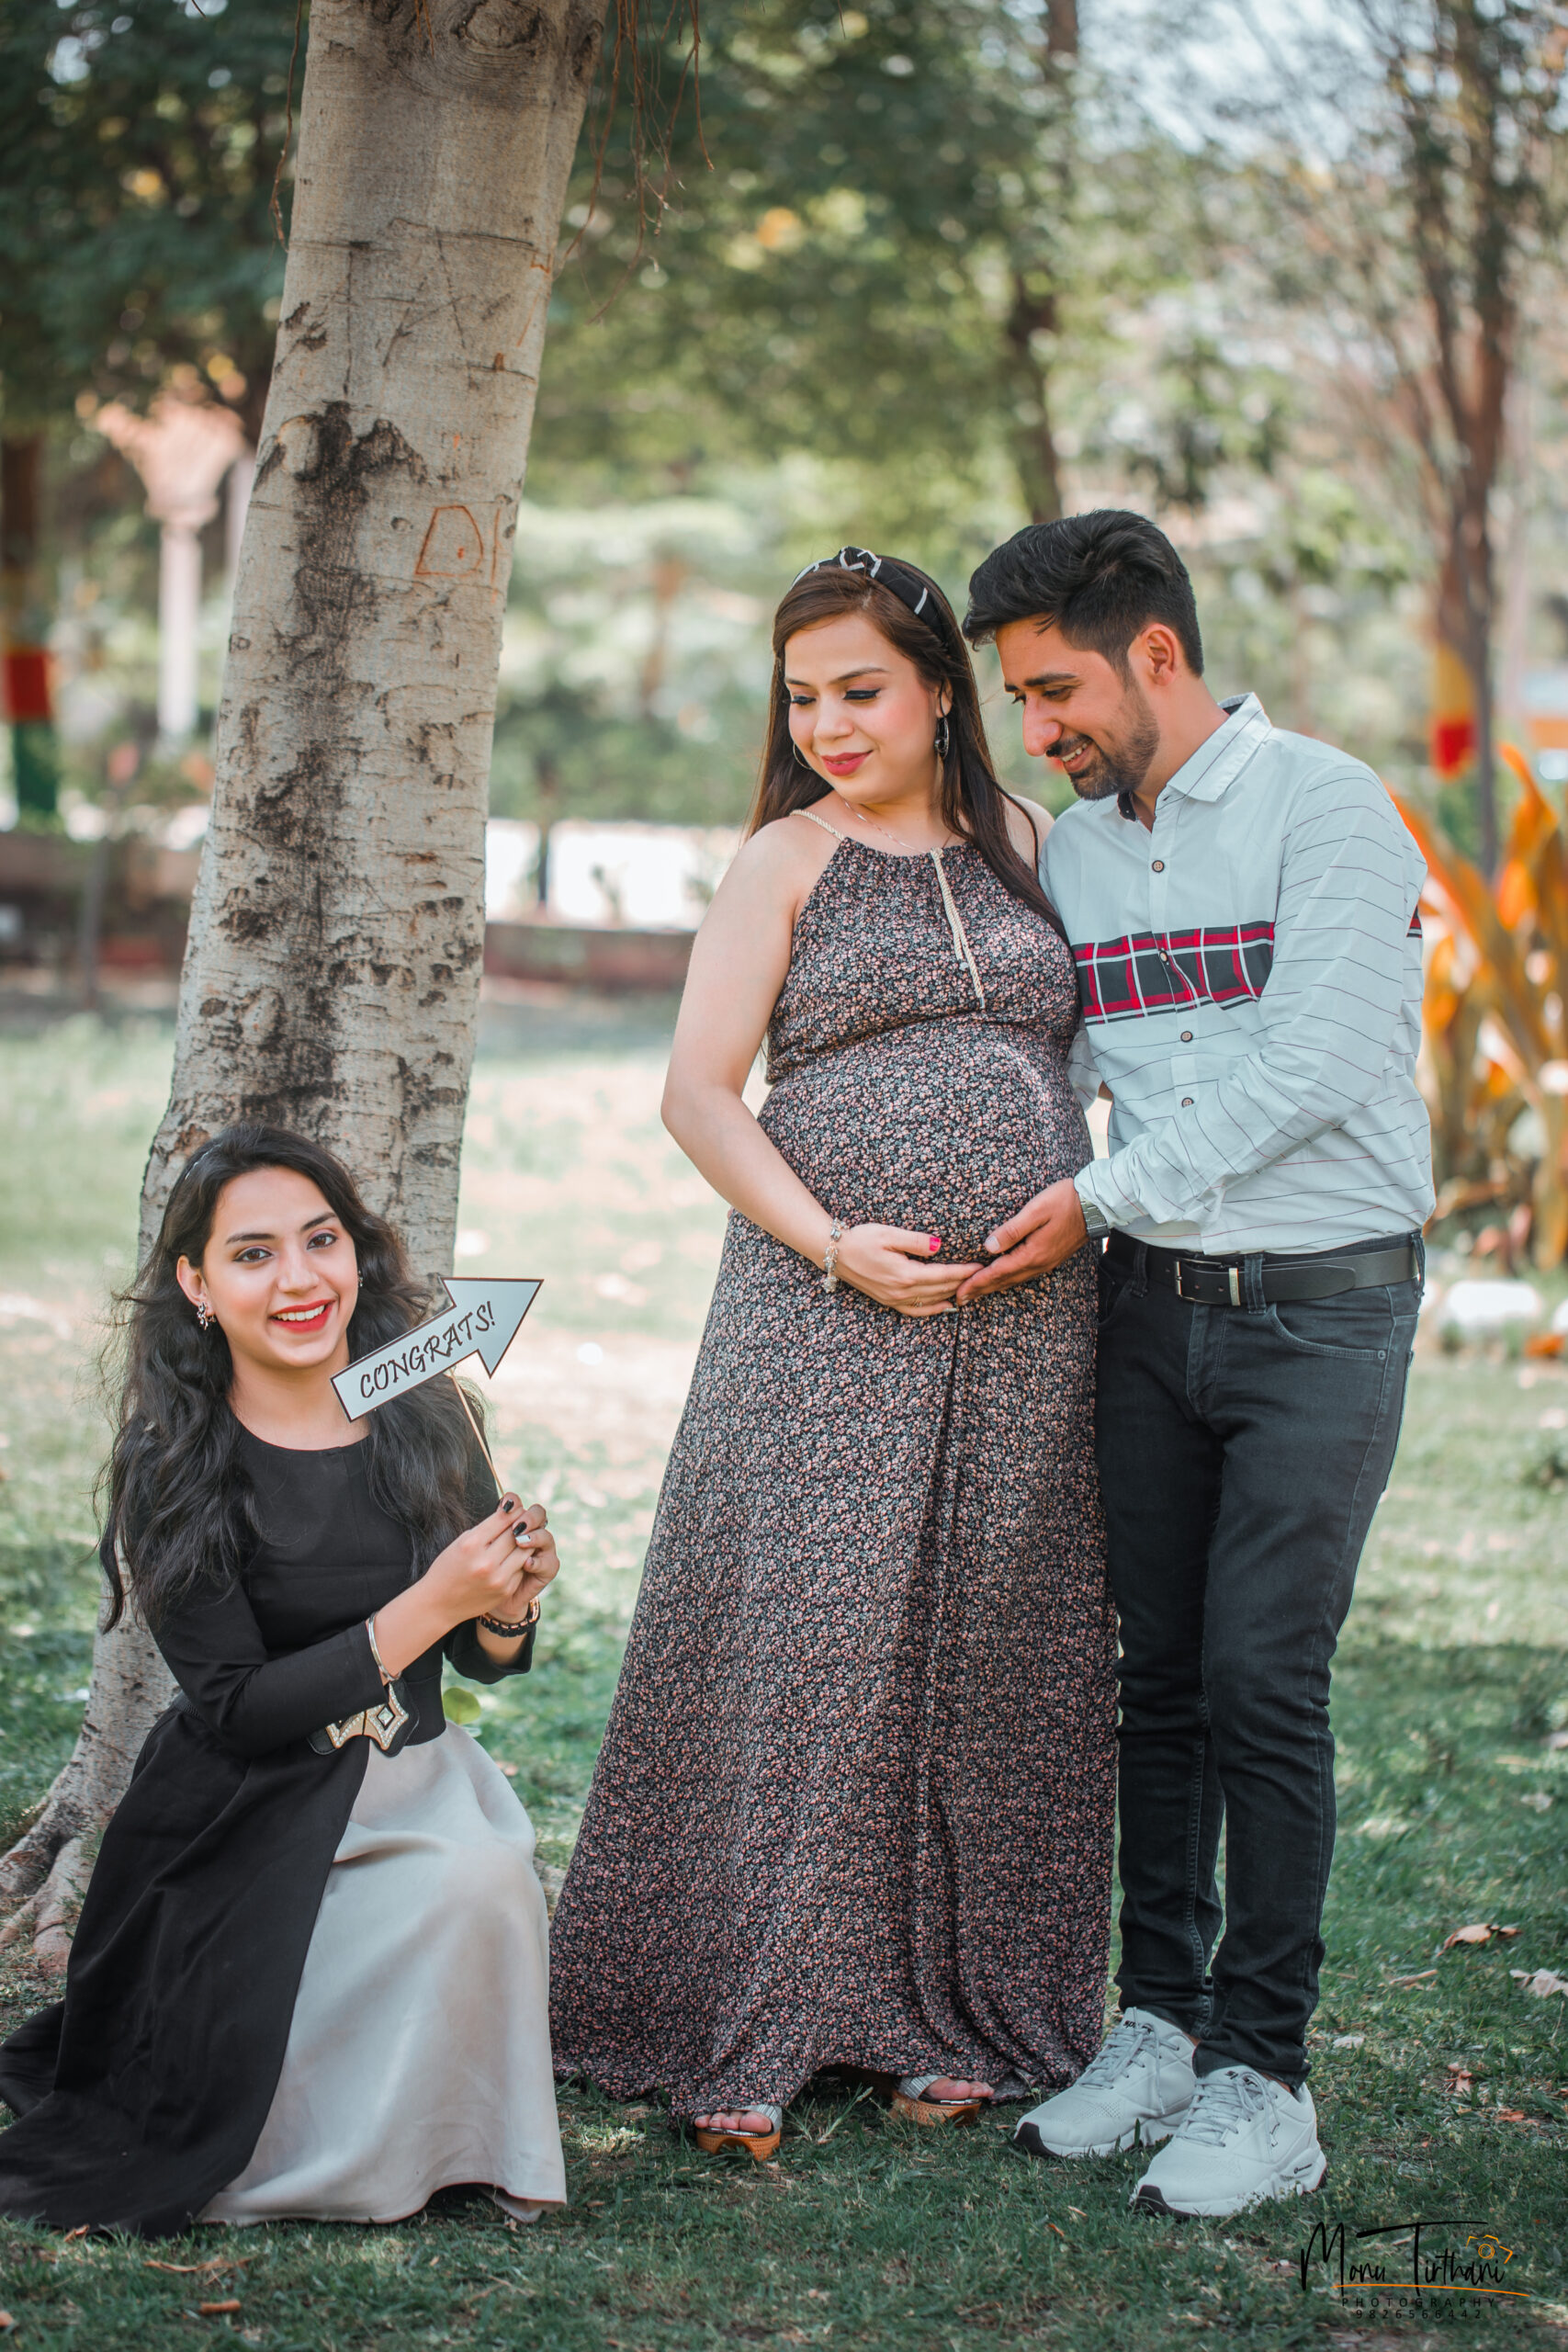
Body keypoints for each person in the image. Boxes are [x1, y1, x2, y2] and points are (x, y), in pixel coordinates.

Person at [548, 548, 1117, 2161]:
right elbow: (698, 1094)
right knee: (805, 1637)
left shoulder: (1035, 845)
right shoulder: (782, 858)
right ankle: (743, 2013)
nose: (826, 725)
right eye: (801, 698)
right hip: (822, 1306)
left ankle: (960, 2014)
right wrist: (831, 1243)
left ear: (939, 687)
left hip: (1029, 1311)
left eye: (858, 689)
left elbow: (1108, 1056)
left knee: (997, 1648)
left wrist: (1085, 1196)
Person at [957, 510, 1431, 2218]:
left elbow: (1317, 1065)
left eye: (1054, 691)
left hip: (1322, 1310)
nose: (1035, 731)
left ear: (1154, 653)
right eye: (1018, 701)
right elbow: (1063, 1065)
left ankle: (1262, 2079)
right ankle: (1156, 2026)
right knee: (1154, 1679)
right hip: (1146, 1313)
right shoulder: (1079, 856)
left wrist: (1091, 1194)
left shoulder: (1329, 807)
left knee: (1258, 1681)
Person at [0, 1124, 566, 2236]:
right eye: (253, 1254)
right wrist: (432, 1601)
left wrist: (508, 1601)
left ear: (358, 1252)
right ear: (197, 1284)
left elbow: (482, 1660)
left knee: (480, 1881)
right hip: (244, 1806)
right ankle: (319, 2153)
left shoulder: (425, 1408)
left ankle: (447, 2146)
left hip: (413, 1781)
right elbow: (239, 1709)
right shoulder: (178, 1456)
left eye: (321, 1239)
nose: (300, 1278)